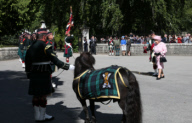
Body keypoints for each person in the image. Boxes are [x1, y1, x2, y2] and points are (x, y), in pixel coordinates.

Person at [25, 28, 75, 122]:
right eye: (47, 36)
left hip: (34, 73)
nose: (47, 38)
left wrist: (28, 74)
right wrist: (70, 67)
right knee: (43, 95)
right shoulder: (46, 47)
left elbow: (27, 62)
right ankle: (42, 116)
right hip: (44, 73)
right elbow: (55, 60)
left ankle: (37, 116)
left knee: (36, 95)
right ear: (44, 37)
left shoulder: (30, 47)